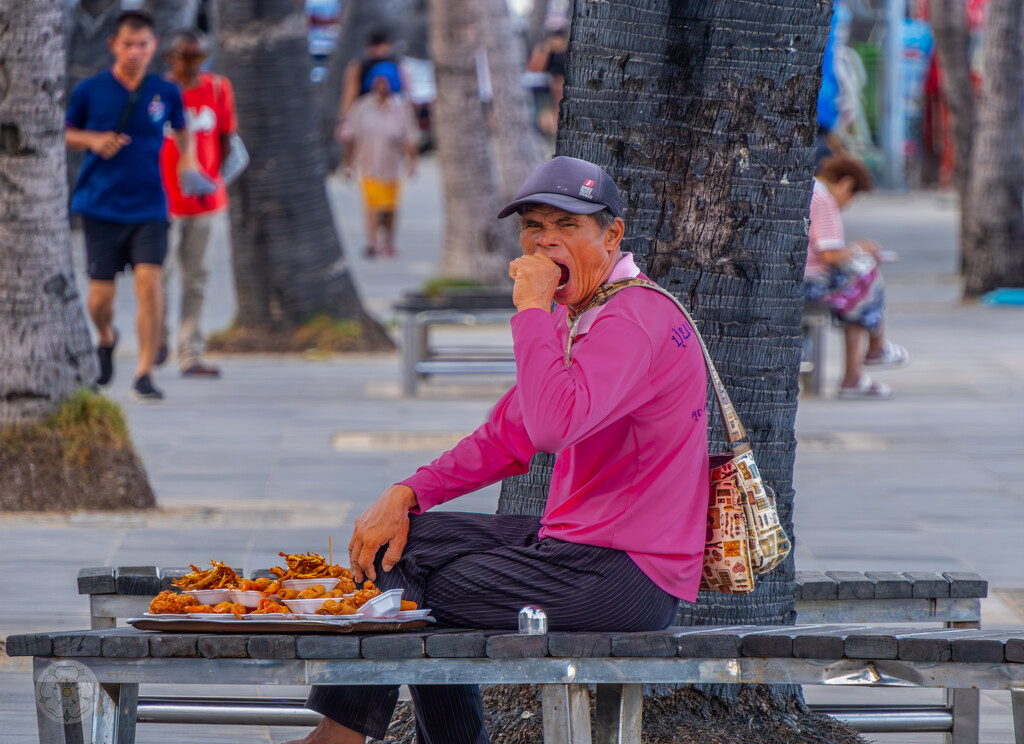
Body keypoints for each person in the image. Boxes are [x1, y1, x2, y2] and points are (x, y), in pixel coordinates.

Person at [284, 156, 709, 744]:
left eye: (567, 225)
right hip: (574, 548)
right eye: (533, 227)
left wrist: (532, 311)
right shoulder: (581, 315)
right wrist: (405, 494)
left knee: (416, 587)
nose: (546, 241)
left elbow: (555, 424)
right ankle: (353, 735)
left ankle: (339, 737)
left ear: (611, 236)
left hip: (625, 575)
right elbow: (509, 435)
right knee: (399, 542)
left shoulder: (632, 318)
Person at [66, 10, 215, 401]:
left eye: (143, 45)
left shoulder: (164, 92)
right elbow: (64, 132)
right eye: (128, 44)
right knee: (100, 299)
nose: (135, 52)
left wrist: (189, 161)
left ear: (153, 48)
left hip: (150, 206)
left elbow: (183, 131)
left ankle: (145, 371)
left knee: (150, 283)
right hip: (99, 205)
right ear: (113, 45)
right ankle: (106, 336)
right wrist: (92, 140)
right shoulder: (89, 90)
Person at [158, 28, 238, 377]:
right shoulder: (157, 92)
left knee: (196, 279)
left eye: (199, 57)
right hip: (161, 201)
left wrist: (213, 179)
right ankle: (156, 340)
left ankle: (189, 351)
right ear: (171, 58)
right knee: (158, 277)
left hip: (204, 201)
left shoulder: (218, 88)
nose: (192, 65)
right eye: (186, 57)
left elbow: (226, 140)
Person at [805, 156, 909, 398]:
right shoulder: (823, 199)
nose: (849, 204)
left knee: (859, 287)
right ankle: (875, 349)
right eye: (853, 196)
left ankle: (861, 367)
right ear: (845, 184)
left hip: (801, 277)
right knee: (867, 280)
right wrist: (859, 248)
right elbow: (830, 255)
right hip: (810, 282)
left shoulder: (808, 187)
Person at [339, 61, 419, 258]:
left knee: (390, 207)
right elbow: (352, 137)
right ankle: (372, 243)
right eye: (378, 81)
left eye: (385, 82)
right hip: (368, 165)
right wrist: (348, 163)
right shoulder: (362, 107)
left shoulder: (401, 109)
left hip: (392, 166)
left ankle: (389, 243)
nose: (381, 86)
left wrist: (412, 162)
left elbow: (410, 138)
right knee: (372, 205)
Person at [527, 25, 569, 136]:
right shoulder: (544, 48)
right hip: (548, 85)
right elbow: (534, 68)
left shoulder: (569, 49)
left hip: (562, 83)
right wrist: (547, 49)